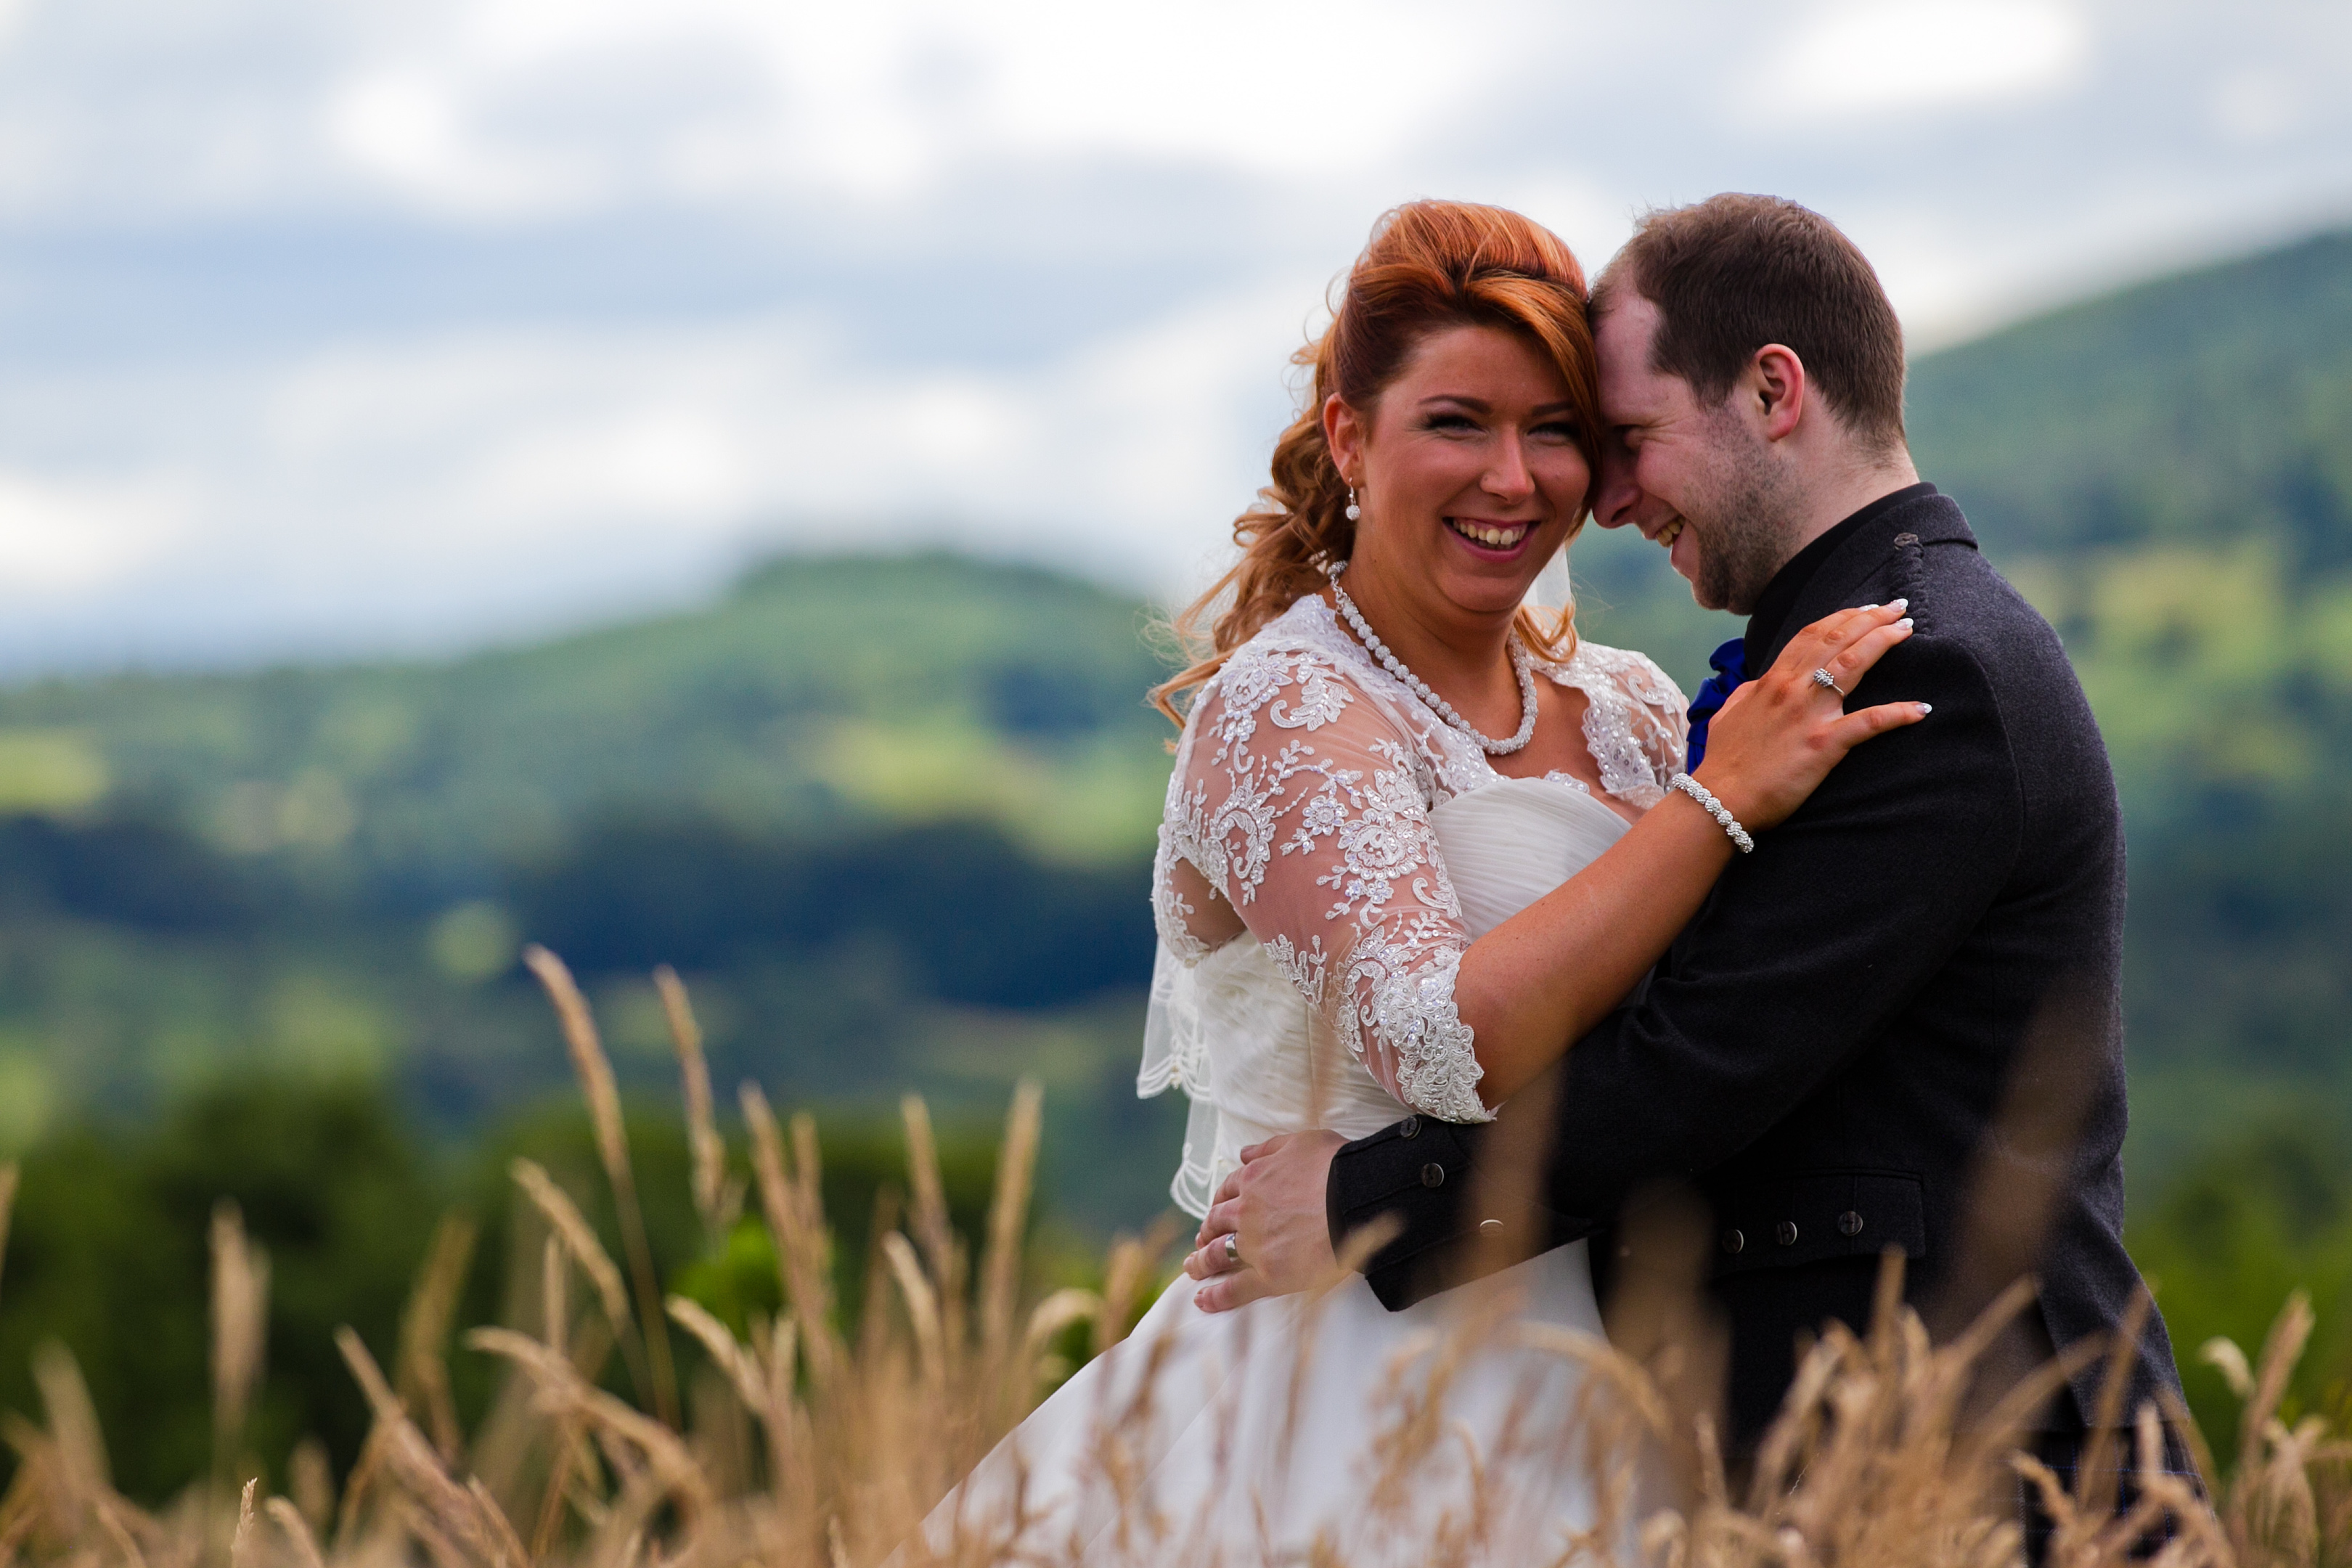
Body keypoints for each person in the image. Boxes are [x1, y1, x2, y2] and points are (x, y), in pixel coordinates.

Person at [1188, 194, 2192, 1557]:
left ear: (1773, 391)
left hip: (1973, 1451)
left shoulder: (1900, 670)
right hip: (1532, 1412)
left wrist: (1365, 1203)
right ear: (1352, 437)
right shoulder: (1780, 682)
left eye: (1606, 436)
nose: (1591, 494)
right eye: (1465, 424)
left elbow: (1697, 1061)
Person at [922, 200, 1924, 1563]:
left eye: (1558, 429)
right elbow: (1444, 1044)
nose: (1514, 478)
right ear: (1350, 436)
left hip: (1628, 1376)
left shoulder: (1628, 705)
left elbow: (1711, 1029)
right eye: (1458, 422)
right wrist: (1719, 801)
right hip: (1350, 1388)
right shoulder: (1288, 708)